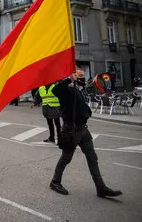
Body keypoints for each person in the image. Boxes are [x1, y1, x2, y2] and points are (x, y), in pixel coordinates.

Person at [49, 69, 122, 198]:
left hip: (83, 130)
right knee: (66, 158)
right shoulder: (67, 90)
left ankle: (101, 188)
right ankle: (55, 182)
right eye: (79, 75)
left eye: (83, 75)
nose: (82, 77)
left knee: (92, 158)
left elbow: (84, 99)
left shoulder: (80, 89)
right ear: (73, 76)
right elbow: (55, 90)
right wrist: (69, 79)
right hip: (71, 131)